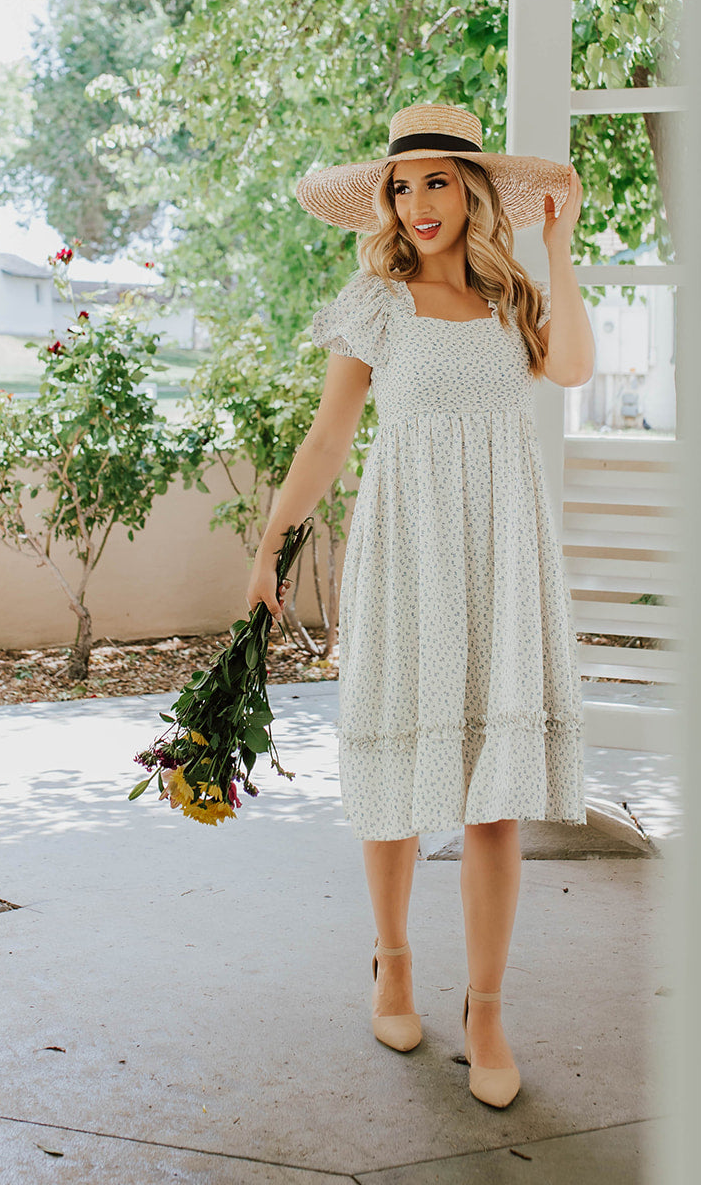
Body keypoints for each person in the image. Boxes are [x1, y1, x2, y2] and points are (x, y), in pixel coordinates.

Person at [246, 101, 595, 1108]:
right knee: (399, 774)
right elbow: (326, 439)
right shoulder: (377, 302)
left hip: (499, 554)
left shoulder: (511, 297)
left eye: (436, 181)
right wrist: (271, 545)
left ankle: (486, 1009)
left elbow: (571, 367)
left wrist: (557, 251)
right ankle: (392, 960)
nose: (417, 203)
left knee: (492, 801)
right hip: (406, 553)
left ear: (472, 191)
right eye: (402, 187)